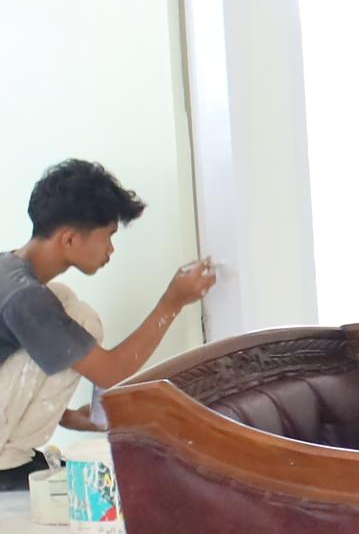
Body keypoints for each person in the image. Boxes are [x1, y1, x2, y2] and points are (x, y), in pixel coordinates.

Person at [1, 161, 215, 487]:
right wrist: (172, 303)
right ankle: (8, 464)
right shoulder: (24, 296)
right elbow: (110, 372)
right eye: (108, 236)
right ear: (69, 239)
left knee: (64, 302)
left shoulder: (11, 271)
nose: (111, 249)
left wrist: (67, 417)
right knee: (79, 318)